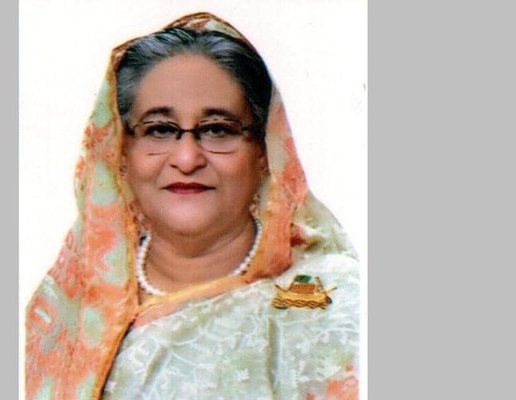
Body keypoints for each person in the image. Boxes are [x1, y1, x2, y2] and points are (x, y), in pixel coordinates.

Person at [26, 12, 360, 400]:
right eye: (159, 130)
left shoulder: (331, 308)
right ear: (120, 152)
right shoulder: (66, 310)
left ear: (263, 152)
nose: (187, 159)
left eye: (218, 129)